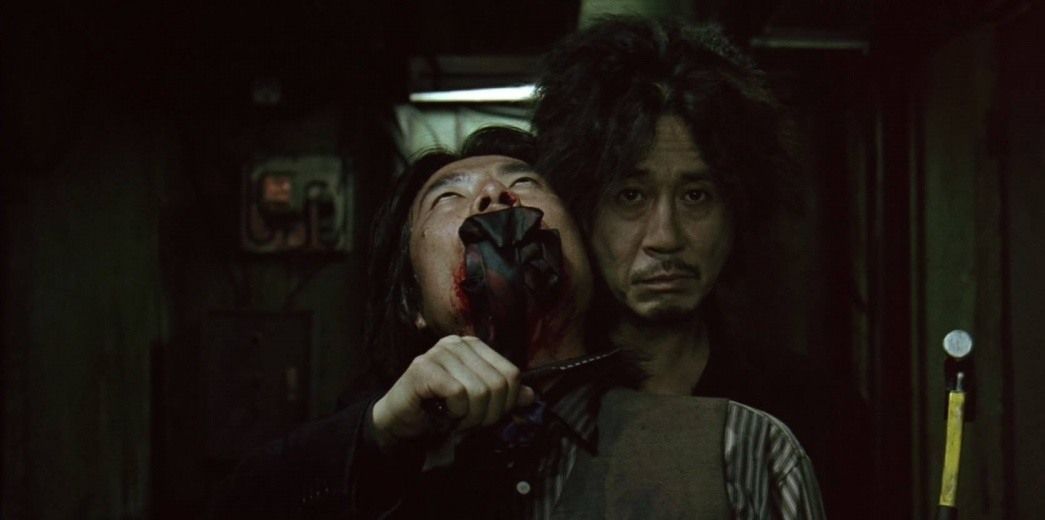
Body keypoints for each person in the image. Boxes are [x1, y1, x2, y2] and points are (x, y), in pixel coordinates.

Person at [210, 127, 824, 519]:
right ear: (411, 303)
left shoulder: (740, 449)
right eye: (448, 197)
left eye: (526, 183)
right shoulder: (377, 459)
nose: (493, 198)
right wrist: (377, 435)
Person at [532, 15, 872, 517]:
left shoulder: (815, 413)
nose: (666, 237)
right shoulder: (534, 410)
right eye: (631, 196)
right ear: (581, 211)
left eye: (696, 195)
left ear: (737, 208)